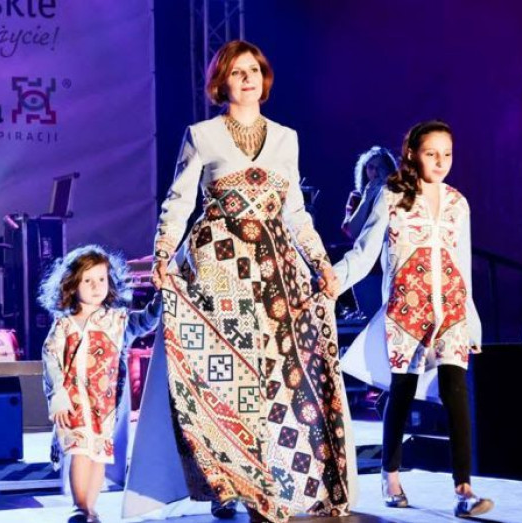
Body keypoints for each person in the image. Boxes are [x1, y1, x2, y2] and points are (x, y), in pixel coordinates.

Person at [123, 40, 356, 523]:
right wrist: (164, 253)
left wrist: (320, 262)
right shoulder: (201, 135)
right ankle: (226, 484)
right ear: (220, 82)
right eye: (237, 71)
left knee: (277, 379)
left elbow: (294, 211)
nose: (247, 78)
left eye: (254, 70)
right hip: (217, 271)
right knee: (221, 380)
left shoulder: (286, 138)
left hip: (275, 273)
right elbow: (179, 201)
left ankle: (273, 481)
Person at [334, 120, 493, 518]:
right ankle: (390, 475)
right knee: (401, 392)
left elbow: (462, 264)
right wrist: (333, 281)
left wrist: (472, 320)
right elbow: (365, 251)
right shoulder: (393, 196)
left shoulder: (458, 203)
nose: (440, 162)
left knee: (456, 392)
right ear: (411, 154)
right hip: (407, 311)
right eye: (431, 153)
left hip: (451, 309)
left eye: (447, 154)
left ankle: (463, 489)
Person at [40, 245, 160, 523]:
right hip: (73, 403)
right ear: (73, 284)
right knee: (80, 451)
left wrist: (162, 298)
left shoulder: (117, 321)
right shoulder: (65, 324)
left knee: (97, 454)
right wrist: (58, 395)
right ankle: (79, 506)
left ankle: (90, 508)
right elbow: (51, 359)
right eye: (88, 280)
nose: (96, 287)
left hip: (104, 406)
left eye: (101, 279)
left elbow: (146, 322)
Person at [341, 146, 398, 320]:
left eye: (381, 167)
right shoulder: (357, 197)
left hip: (394, 267)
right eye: (371, 167)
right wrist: (367, 199)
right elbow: (352, 231)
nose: (376, 172)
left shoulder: (399, 197)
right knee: (372, 320)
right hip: (368, 271)